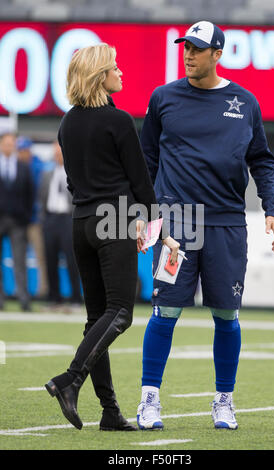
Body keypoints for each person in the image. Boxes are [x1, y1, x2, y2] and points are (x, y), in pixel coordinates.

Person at [136, 20, 274, 431]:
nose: (188, 54)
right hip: (177, 226)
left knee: (226, 313)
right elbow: (146, 161)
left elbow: (262, 161)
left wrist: (270, 208)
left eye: (197, 49)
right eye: (186, 47)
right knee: (165, 311)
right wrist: (144, 215)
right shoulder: (163, 98)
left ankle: (224, 400)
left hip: (226, 224)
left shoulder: (245, 101)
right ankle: (149, 400)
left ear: (218, 54)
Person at [44, 44, 179, 432]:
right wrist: (160, 233)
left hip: (81, 222)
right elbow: (141, 183)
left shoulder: (67, 124)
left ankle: (109, 411)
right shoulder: (118, 120)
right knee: (120, 312)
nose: (121, 73)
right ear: (100, 76)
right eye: (115, 67)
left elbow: (72, 182)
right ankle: (70, 380)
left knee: (96, 319)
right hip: (115, 219)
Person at [39, 140, 83, 311]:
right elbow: (41, 197)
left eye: (60, 153)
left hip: (68, 219)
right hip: (50, 219)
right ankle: (54, 298)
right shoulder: (46, 174)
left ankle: (75, 299)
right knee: (50, 260)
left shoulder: (73, 174)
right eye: (55, 153)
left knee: (72, 260)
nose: (57, 156)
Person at [0, 132, 34, 311]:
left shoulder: (23, 167)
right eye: (6, 143)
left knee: (20, 261)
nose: (8, 146)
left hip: (17, 221)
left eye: (11, 143)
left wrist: (25, 217)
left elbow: (30, 194)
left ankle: (23, 299)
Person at [17, 136, 49, 299]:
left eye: (25, 150)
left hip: (35, 219)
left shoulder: (37, 167)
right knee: (19, 257)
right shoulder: (16, 166)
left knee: (40, 256)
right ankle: (21, 290)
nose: (23, 153)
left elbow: (39, 194)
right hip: (18, 219)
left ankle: (42, 290)